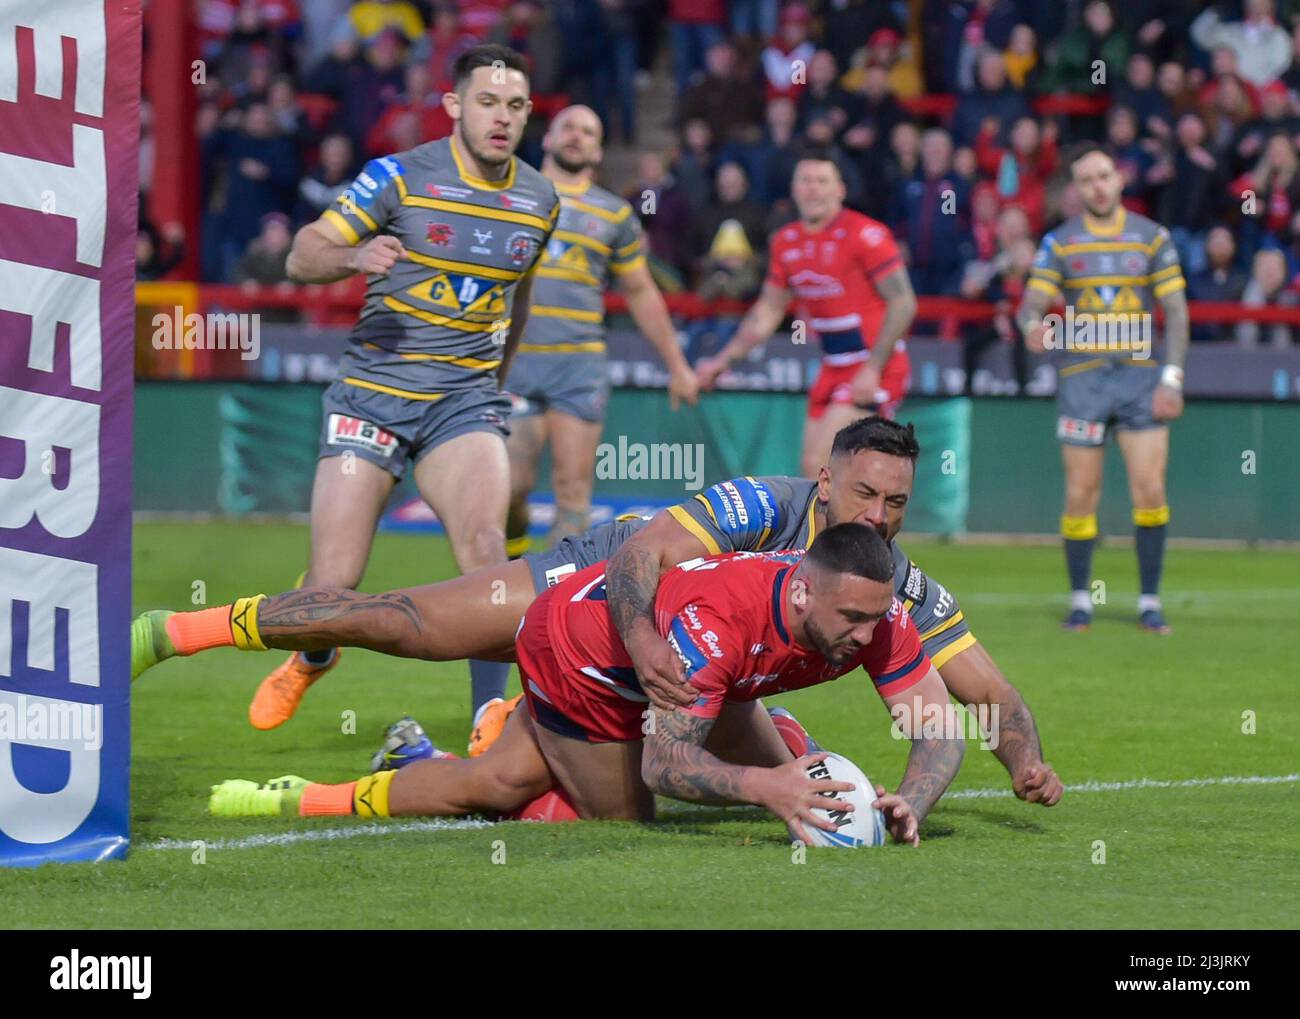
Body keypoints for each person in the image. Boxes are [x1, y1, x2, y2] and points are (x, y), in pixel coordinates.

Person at [132, 417, 1063, 806]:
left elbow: (984, 690)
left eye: (897, 504)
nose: (880, 516)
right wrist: (644, 636)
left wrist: (1024, 760)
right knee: (404, 622)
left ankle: (481, 736)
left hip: (659, 662)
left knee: (549, 788)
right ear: (828, 476)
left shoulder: (884, 581)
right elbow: (640, 556)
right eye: (866, 494)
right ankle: (177, 631)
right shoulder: (763, 505)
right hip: (595, 588)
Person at [208, 524, 959, 846]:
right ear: (801, 594)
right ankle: (483, 728)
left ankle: (375, 770)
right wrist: (771, 788)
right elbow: (665, 765)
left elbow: (939, 724)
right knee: (611, 820)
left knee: (494, 781)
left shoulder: (873, 612)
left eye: (874, 618)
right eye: (851, 619)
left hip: (695, 675)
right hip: (580, 658)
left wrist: (911, 800)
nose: (867, 635)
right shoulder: (714, 627)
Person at [252, 43, 560, 739]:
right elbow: (303, 253)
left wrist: (491, 389)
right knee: (334, 578)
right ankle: (313, 653)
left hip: (464, 399)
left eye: (514, 106)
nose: (501, 118)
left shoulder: (540, 199)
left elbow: (521, 299)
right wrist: (354, 255)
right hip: (371, 393)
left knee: (486, 548)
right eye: (486, 102)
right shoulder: (395, 177)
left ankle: (491, 711)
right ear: (454, 105)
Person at [502, 105, 698, 558]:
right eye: (567, 127)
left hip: (579, 365)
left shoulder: (614, 214)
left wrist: (677, 366)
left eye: (588, 131)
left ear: (598, 149)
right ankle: (511, 561)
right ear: (547, 139)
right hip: (513, 362)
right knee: (510, 488)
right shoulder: (511, 197)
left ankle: (546, 609)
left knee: (573, 492)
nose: (576, 136)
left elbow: (642, 292)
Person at [1016, 142, 1189, 634]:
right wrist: (1031, 323)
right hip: (1082, 380)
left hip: (1140, 378)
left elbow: (1176, 312)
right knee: (1081, 492)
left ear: (1119, 179)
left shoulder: (1151, 237)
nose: (1097, 185)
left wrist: (1172, 378)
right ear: (1076, 188)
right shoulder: (1061, 242)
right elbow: (1032, 304)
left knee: (1150, 488)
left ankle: (1149, 602)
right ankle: (1080, 601)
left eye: (1104, 175)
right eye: (1087, 178)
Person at [694, 153, 917, 478]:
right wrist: (722, 362)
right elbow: (767, 310)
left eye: (822, 181)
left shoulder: (866, 234)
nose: (813, 190)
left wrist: (873, 369)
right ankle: (846, 531)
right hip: (831, 368)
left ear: (840, 189)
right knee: (816, 474)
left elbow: (904, 302)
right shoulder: (786, 242)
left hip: (874, 367)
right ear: (794, 190)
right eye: (805, 181)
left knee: (822, 467)